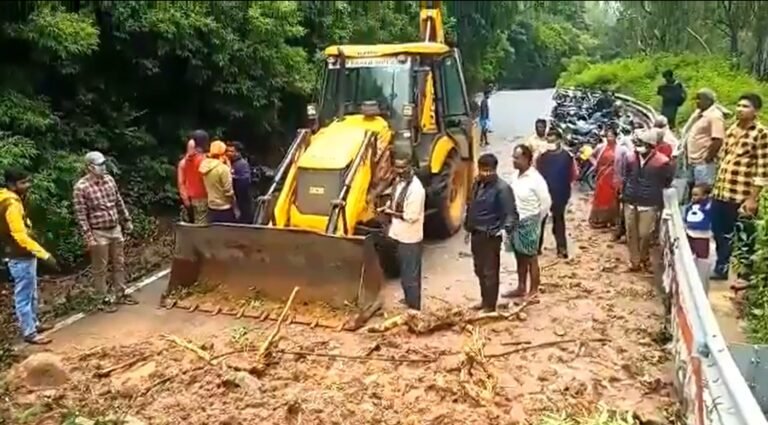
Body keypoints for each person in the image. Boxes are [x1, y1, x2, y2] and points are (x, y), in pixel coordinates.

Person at [711, 93, 768, 280]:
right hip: (722, 191)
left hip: (741, 195)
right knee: (719, 231)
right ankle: (721, 267)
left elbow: (762, 169)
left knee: (744, 236)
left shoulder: (761, 133)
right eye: (738, 105)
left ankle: (744, 277)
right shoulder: (732, 129)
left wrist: (752, 198)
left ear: (755, 111)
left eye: (745, 106)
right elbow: (724, 158)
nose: (740, 109)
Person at [73, 151, 137, 313]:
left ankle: (120, 293)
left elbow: (118, 201)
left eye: (103, 164)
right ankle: (101, 298)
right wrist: (88, 237)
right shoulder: (81, 188)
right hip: (98, 231)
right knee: (100, 267)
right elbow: (81, 215)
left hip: (114, 227)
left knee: (119, 262)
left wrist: (126, 219)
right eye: (99, 165)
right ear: (89, 167)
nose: (103, 167)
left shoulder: (109, 180)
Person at [1, 169, 59, 344]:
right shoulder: (10, 203)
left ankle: (34, 324)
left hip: (22, 254)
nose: (27, 186)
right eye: (23, 183)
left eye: (28, 181)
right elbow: (19, 235)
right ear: (12, 185)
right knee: (24, 295)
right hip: (19, 255)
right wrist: (43, 254)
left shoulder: (10, 199)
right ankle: (29, 332)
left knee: (32, 291)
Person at [463, 153, 518, 312]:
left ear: (495, 170)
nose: (485, 174)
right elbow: (471, 205)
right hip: (476, 233)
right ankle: (484, 300)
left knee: (490, 272)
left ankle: (490, 306)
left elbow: (511, 214)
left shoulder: (502, 188)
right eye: (482, 170)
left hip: (490, 235)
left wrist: (503, 230)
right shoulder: (477, 184)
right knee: (479, 269)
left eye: (488, 171)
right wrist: (468, 227)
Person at [622, 130, 675, 272]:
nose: (639, 147)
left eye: (643, 144)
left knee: (645, 234)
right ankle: (634, 261)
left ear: (651, 146)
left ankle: (644, 258)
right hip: (631, 200)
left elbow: (667, 181)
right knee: (631, 233)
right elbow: (626, 177)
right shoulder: (630, 158)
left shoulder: (662, 162)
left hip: (649, 202)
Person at [504, 144, 551, 299]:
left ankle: (534, 291)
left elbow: (545, 203)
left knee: (531, 257)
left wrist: (536, 220)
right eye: (513, 157)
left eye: (516, 158)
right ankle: (521, 287)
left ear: (526, 159)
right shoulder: (514, 176)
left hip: (529, 221)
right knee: (519, 256)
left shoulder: (536, 179)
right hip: (515, 221)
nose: (513, 160)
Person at [381, 157, 426, 311]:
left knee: (410, 275)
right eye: (397, 168)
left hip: (410, 238)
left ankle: (414, 308)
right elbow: (394, 199)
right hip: (398, 234)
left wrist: (390, 212)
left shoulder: (416, 189)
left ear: (410, 167)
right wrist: (387, 206)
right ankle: (409, 300)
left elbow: (411, 216)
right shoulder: (399, 182)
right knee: (404, 272)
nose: (400, 171)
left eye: (403, 168)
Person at [535, 125, 578, 258]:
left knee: (555, 220)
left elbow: (574, 174)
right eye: (548, 141)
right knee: (547, 220)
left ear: (559, 140)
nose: (550, 144)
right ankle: (558, 249)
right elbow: (574, 176)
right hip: (548, 193)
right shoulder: (542, 156)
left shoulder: (566, 157)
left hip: (559, 193)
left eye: (552, 141)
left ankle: (553, 248)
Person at [683, 88, 725, 188]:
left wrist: (707, 157)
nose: (697, 102)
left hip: (703, 163)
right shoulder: (699, 115)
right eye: (696, 99)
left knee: (702, 191)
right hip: (692, 161)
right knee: (692, 191)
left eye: (699, 99)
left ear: (709, 101)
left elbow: (718, 140)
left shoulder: (714, 116)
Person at [589, 126, 622, 228]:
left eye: (611, 136)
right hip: (602, 176)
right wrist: (595, 164)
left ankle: (611, 220)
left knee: (612, 198)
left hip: (613, 177)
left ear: (616, 137)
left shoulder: (621, 149)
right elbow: (591, 156)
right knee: (600, 197)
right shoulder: (601, 147)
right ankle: (598, 220)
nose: (609, 138)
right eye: (607, 136)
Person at [200, 140, 238, 224]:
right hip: (224, 208)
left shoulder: (204, 166)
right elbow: (228, 191)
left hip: (211, 207)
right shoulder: (223, 169)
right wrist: (234, 203)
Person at [179, 130, 210, 224]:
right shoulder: (204, 160)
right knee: (202, 226)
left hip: (189, 198)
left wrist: (185, 199)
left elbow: (181, 183)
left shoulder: (184, 162)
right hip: (203, 197)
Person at [226, 141, 254, 224]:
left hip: (242, 198)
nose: (229, 153)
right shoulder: (229, 163)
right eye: (227, 151)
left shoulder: (242, 164)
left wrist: (232, 177)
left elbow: (245, 179)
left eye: (231, 151)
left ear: (238, 152)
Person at [684, 183, 713, 260]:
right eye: (692, 195)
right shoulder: (690, 206)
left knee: (702, 257)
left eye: (696, 195)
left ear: (704, 196)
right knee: (689, 255)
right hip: (690, 232)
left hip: (702, 235)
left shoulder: (708, 206)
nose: (693, 197)